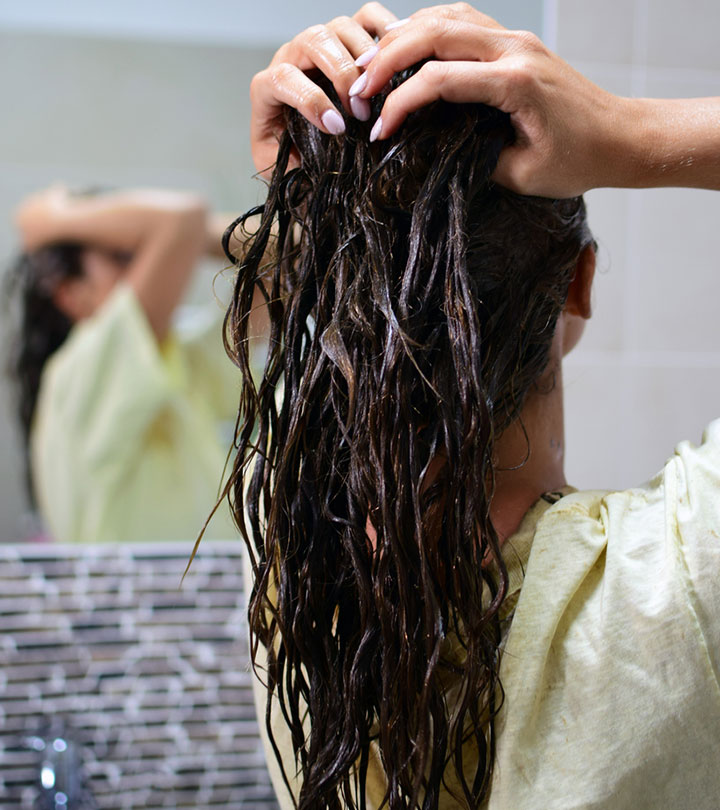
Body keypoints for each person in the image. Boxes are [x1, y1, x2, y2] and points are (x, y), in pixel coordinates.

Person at [225, 4, 720, 809]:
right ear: (578, 281)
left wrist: (317, 196)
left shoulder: (299, 564)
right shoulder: (676, 584)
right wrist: (629, 131)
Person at [8, 187, 246, 544]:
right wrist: (51, 220)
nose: (150, 264)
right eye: (123, 256)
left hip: (198, 593)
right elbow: (181, 219)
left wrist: (194, 236)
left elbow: (281, 252)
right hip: (153, 597)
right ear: (70, 294)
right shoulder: (81, 371)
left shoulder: (176, 355)